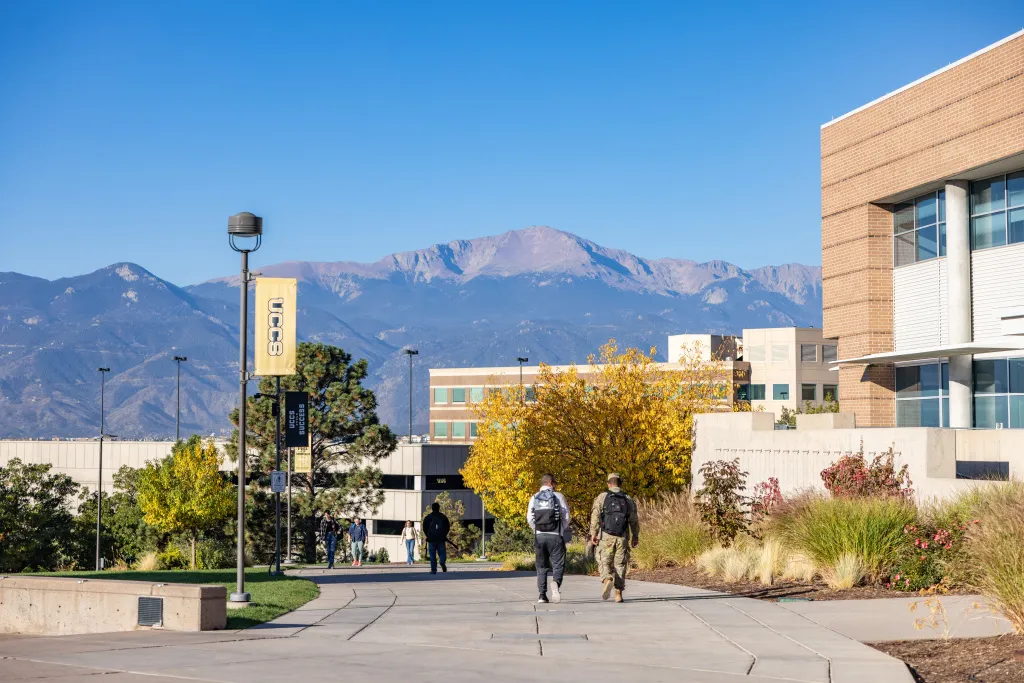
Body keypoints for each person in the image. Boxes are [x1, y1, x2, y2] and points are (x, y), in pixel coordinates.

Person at [589, 473, 639, 603]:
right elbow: (634, 520)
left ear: (608, 484)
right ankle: (618, 594)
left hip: (606, 536)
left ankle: (607, 579)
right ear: (620, 484)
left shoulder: (602, 497)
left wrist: (593, 533)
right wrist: (635, 535)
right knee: (620, 564)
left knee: (603, 560)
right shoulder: (628, 499)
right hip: (622, 536)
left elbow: (595, 516)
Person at [527, 473, 570, 604]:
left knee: (541, 566)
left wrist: (537, 530)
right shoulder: (559, 496)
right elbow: (566, 516)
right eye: (555, 483)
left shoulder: (534, 497)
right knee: (558, 564)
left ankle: (542, 595)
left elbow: (529, 518)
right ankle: (556, 582)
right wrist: (560, 529)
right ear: (550, 483)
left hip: (539, 537)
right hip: (555, 536)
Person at [422, 502, 450, 574]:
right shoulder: (443, 517)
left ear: (432, 508)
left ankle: (433, 570)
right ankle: (442, 562)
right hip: (441, 538)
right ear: (439, 508)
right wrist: (444, 535)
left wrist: (428, 535)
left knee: (432, 554)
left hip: (431, 538)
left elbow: (424, 528)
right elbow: (447, 527)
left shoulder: (428, 517)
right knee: (442, 552)